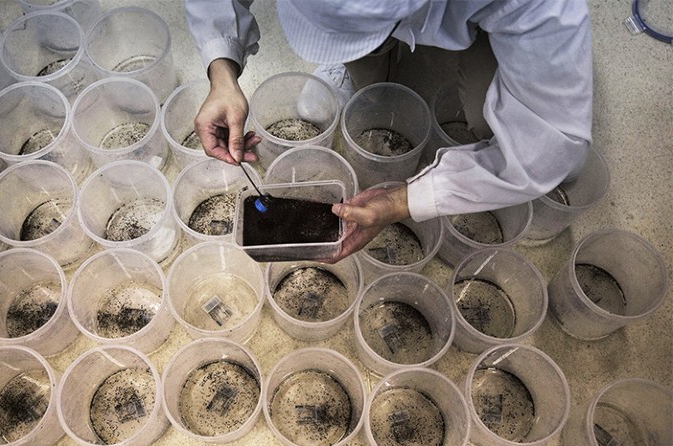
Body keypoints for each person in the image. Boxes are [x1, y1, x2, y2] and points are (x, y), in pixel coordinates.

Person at [185, 0, 593, 262]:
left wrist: (406, 200)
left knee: (488, 122)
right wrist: (222, 69)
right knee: (366, 72)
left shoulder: (543, 8)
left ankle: (447, 43)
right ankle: (367, 52)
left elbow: (551, 143)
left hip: (498, 12)